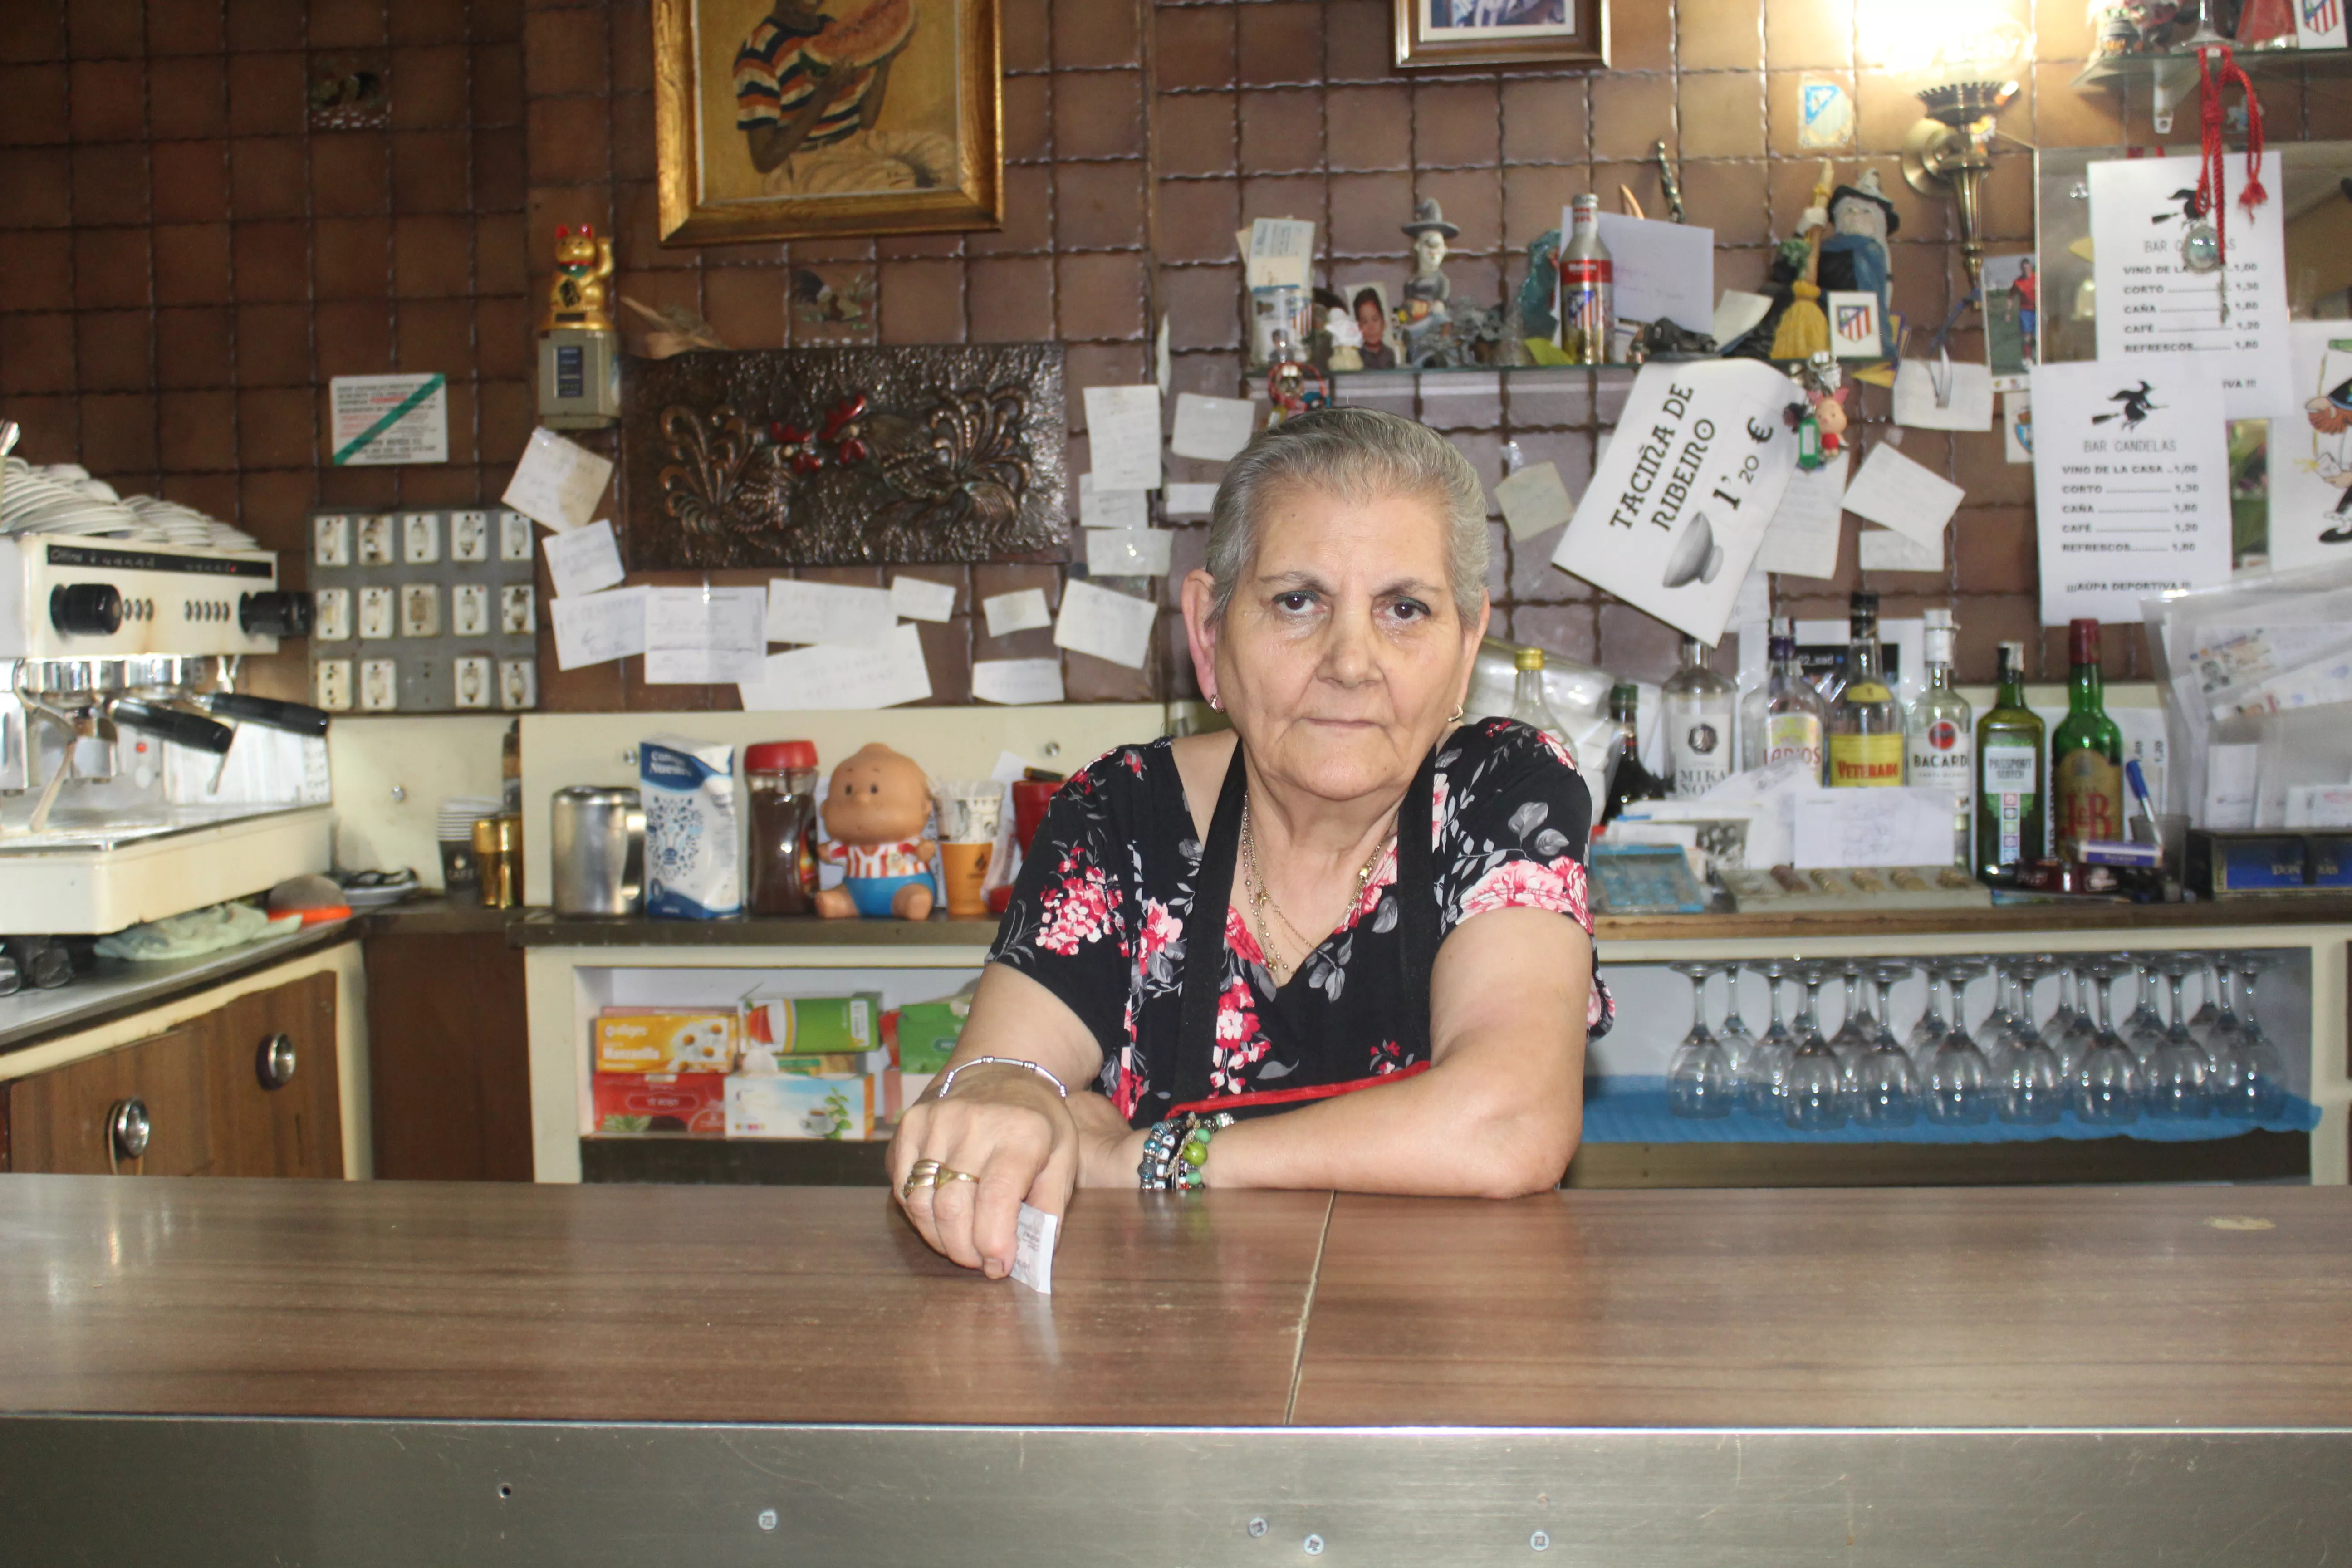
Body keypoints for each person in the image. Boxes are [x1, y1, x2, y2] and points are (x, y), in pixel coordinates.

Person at [891, 408, 1613, 1278]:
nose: (1351, 662)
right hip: (1158, 1371)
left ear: (1463, 650)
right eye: (1296, 602)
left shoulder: (1506, 791)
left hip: (1437, 1363)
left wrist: (1145, 1158)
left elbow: (1508, 1122)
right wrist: (1005, 1093)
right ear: (1207, 633)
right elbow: (1002, 1082)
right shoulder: (1116, 815)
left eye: (1404, 609)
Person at [733, 2, 953, 197]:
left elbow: (866, 119)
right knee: (896, 183)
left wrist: (885, 59)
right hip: (808, 162)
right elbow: (764, 159)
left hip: (859, 142)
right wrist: (824, 95)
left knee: (944, 154)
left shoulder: (836, 30)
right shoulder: (759, 52)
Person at [1353, 288, 1397, 371]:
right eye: (1365, 322)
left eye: (1375, 319)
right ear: (1359, 327)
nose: (1371, 327)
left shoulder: (1392, 355)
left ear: (1384, 323)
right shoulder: (1355, 359)